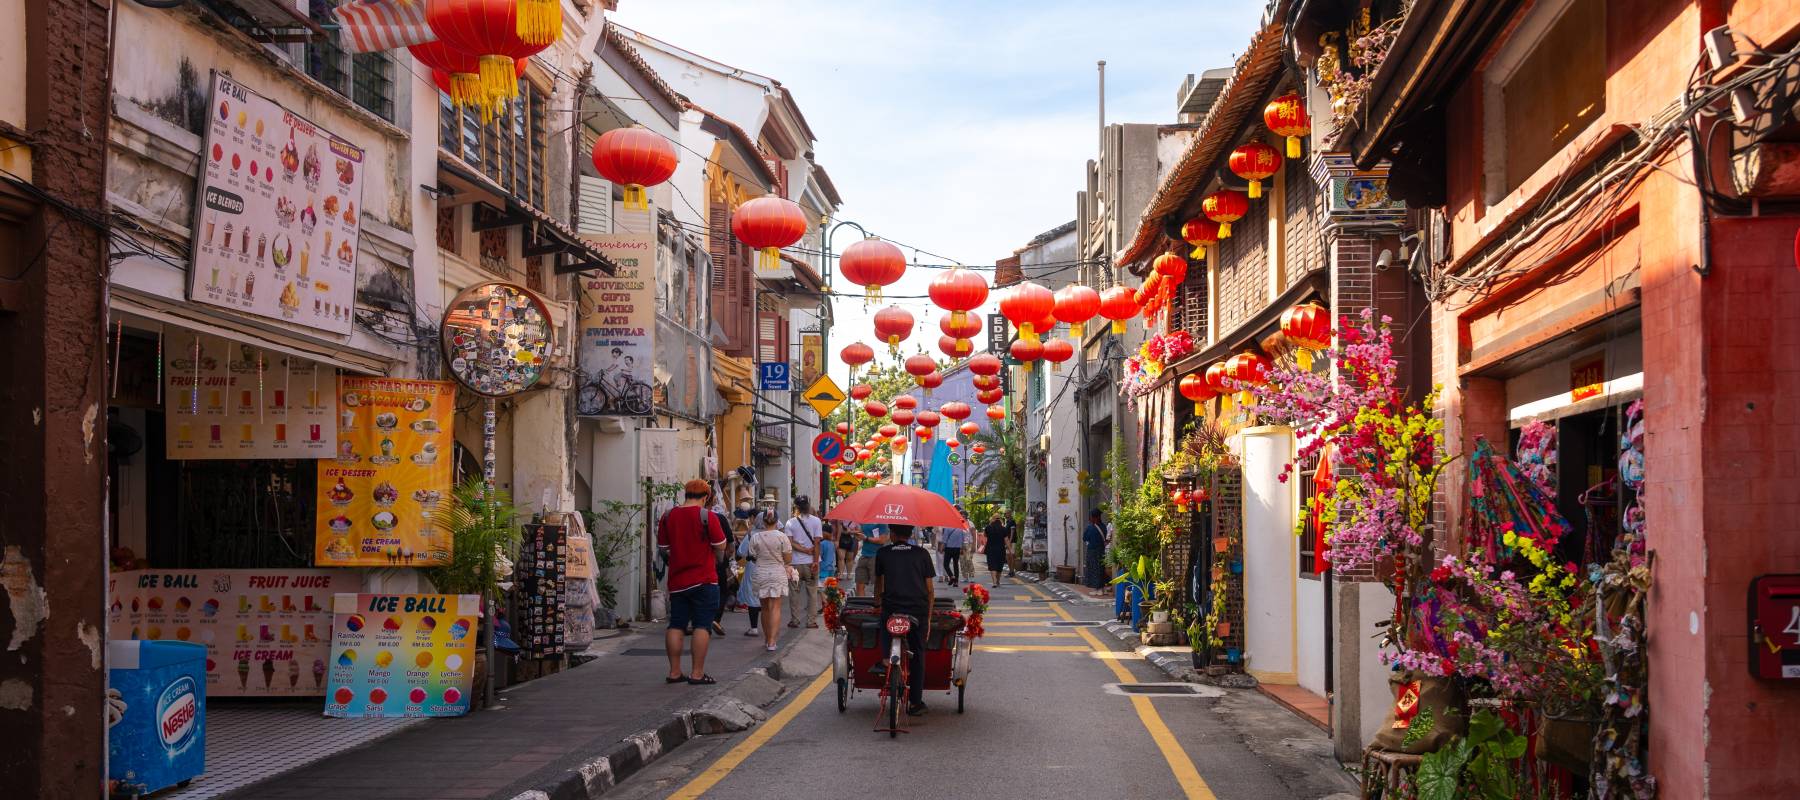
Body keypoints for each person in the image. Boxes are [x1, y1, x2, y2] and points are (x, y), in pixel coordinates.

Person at [656, 479, 728, 685]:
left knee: (676, 624)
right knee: (702, 625)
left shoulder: (668, 516)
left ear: (685, 494)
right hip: (704, 580)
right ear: (706, 497)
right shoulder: (707, 516)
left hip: (678, 581)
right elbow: (720, 545)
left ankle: (674, 672)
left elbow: (663, 548)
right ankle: (697, 673)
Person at [872, 524, 936, 716]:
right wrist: (929, 615)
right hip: (918, 611)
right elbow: (930, 589)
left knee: (883, 623)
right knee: (918, 653)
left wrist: (877, 603)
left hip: (892, 610)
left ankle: (885, 658)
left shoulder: (883, 553)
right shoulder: (922, 554)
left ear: (892, 534)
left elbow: (879, 583)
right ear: (910, 534)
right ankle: (916, 702)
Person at [745, 509, 793, 650]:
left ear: (763, 521)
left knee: (764, 608)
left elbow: (752, 556)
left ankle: (767, 638)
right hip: (777, 572)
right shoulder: (782, 537)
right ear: (777, 521)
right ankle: (772, 641)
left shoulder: (756, 537)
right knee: (775, 607)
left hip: (761, 572)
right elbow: (788, 559)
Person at [784, 496, 823, 628]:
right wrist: (815, 561)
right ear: (808, 505)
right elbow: (817, 543)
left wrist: (803, 550)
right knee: (812, 593)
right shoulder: (817, 521)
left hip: (795, 563)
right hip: (811, 563)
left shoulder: (790, 522)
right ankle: (811, 621)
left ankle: (795, 620)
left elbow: (789, 543)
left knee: (794, 592)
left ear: (796, 507)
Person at [733, 518, 760, 637]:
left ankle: (754, 628)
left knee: (753, 596)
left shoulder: (752, 535)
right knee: (770, 599)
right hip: (772, 568)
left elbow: (740, 552)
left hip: (754, 566)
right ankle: (771, 633)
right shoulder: (779, 535)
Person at [854, 522, 888, 595]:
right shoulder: (865, 522)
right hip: (864, 555)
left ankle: (878, 605)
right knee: (859, 584)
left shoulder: (881, 523)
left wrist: (866, 538)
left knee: (877, 585)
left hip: (876, 556)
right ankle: (862, 605)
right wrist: (856, 534)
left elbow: (882, 540)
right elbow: (862, 535)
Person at [1083, 508, 1109, 590]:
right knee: (1100, 569)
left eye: (1091, 517)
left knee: (1092, 569)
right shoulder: (1104, 527)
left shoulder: (1090, 527)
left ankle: (1096, 588)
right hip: (1101, 551)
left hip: (1092, 551)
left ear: (1094, 517)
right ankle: (1100, 588)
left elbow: (1084, 538)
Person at [981, 515, 1010, 587]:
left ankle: (994, 582)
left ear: (992, 519)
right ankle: (998, 581)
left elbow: (984, 535)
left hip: (990, 549)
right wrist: (1010, 549)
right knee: (999, 566)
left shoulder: (988, 527)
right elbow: (1006, 540)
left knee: (992, 565)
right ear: (1000, 520)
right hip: (1000, 549)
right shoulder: (1003, 529)